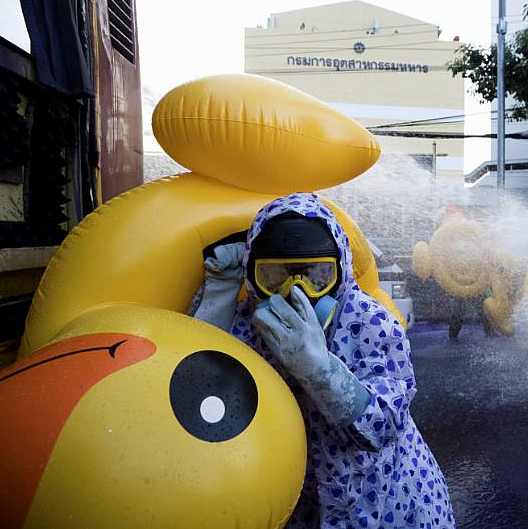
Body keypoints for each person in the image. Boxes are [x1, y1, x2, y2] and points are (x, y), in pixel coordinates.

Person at [193, 192, 455, 528]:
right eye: (274, 277)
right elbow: (200, 387)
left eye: (318, 276)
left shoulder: (371, 322)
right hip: (297, 501)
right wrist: (220, 291)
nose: (296, 292)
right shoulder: (246, 324)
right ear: (252, 277)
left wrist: (322, 372)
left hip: (382, 500)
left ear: (340, 270)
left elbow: (383, 426)